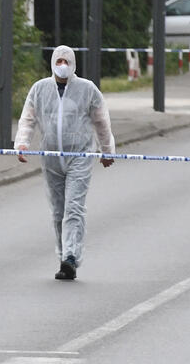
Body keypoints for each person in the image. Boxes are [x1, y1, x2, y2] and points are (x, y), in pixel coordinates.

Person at [15, 45, 115, 281]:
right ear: (52, 63)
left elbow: (102, 122)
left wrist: (107, 150)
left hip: (79, 155)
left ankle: (71, 255)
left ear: (73, 64)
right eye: (58, 60)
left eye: (66, 61)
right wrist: (21, 143)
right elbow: (27, 119)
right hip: (50, 157)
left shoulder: (87, 89)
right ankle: (63, 257)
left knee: (74, 207)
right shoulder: (39, 89)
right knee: (58, 210)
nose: (62, 65)